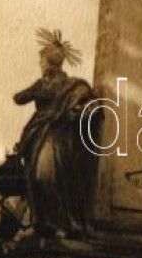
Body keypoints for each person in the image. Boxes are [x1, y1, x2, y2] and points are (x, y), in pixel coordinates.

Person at [13, 30, 99, 236]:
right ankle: (44, 222)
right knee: (34, 177)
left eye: (42, 60)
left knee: (47, 175)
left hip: (59, 135)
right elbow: (18, 98)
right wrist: (37, 90)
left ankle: (62, 223)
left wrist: (79, 110)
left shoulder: (72, 85)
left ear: (48, 61)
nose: (40, 64)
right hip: (37, 134)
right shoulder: (41, 84)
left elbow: (88, 104)